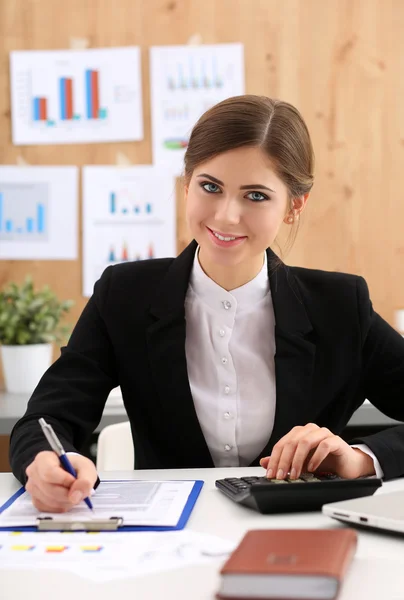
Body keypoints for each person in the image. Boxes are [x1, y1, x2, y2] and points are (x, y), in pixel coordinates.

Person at [9, 95, 404, 514]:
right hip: (165, 539)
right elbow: (46, 420)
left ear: (294, 205)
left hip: (296, 532)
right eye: (210, 187)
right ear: (186, 185)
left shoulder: (340, 306)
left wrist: (359, 458)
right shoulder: (124, 294)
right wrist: (44, 461)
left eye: (255, 196)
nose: (226, 215)